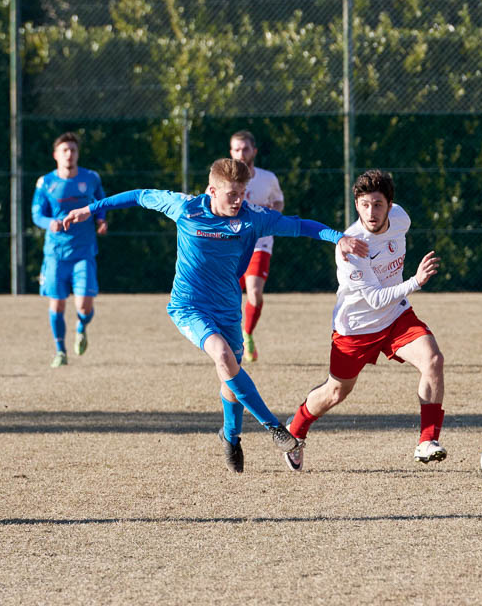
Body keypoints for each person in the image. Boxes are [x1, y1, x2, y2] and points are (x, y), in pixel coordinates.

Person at [62, 158, 367, 474]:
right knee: (223, 356)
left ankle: (231, 436)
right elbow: (140, 195)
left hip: (227, 308)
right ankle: (275, 428)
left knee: (230, 376)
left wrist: (338, 237)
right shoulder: (185, 208)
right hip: (188, 306)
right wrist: (91, 209)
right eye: (232, 194)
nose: (238, 201)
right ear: (212, 191)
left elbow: (300, 225)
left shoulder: (252, 218)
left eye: (242, 193)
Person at [283, 169, 446, 472]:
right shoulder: (351, 247)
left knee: (433, 360)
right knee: (336, 392)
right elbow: (374, 299)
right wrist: (415, 281)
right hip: (355, 328)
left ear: (390, 205)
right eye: (364, 205)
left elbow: (386, 299)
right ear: (356, 204)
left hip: (395, 316)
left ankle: (427, 441)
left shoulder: (401, 218)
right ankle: (296, 428)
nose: (371, 213)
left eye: (378, 204)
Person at [31, 131, 108, 368]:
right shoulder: (45, 183)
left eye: (73, 150)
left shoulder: (91, 178)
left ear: (78, 154)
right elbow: (36, 214)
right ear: (56, 155)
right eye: (64, 150)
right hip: (56, 254)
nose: (69, 154)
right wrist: (49, 223)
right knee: (57, 304)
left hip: (83, 252)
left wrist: (101, 219)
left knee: (84, 306)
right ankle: (60, 351)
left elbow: (101, 201)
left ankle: (81, 326)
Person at [228, 130, 284, 362]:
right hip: (231, 246)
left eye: (245, 149)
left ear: (254, 151)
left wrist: (273, 212)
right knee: (228, 296)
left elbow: (278, 201)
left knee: (255, 293)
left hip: (260, 243)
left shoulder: (267, 178)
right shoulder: (223, 180)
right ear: (231, 152)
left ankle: (247, 334)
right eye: (237, 149)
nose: (241, 153)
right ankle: (231, 339)